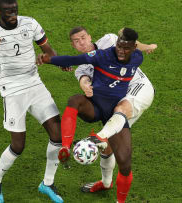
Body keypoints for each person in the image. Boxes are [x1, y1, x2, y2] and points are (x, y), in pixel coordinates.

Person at [37, 27, 144, 203]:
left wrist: (148, 47)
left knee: (125, 163)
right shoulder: (103, 55)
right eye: (118, 46)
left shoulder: (138, 58)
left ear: (133, 48)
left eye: (125, 48)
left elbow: (140, 49)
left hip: (115, 113)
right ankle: (65, 146)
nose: (120, 51)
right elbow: (74, 59)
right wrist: (49, 60)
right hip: (95, 106)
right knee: (75, 100)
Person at [0, 0, 65, 202]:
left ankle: (47, 183)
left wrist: (60, 63)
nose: (12, 14)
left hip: (34, 83)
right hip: (12, 89)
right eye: (7, 11)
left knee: (58, 134)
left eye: (14, 9)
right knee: (18, 145)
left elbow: (47, 48)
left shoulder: (30, 24)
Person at [66, 27, 156, 195]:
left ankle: (98, 137)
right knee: (109, 144)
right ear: (73, 46)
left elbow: (133, 44)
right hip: (117, 98)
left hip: (138, 88)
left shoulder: (108, 40)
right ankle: (106, 183)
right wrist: (85, 85)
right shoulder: (82, 67)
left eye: (83, 38)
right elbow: (83, 79)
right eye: (76, 41)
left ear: (90, 36)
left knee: (119, 112)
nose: (82, 43)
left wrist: (147, 46)